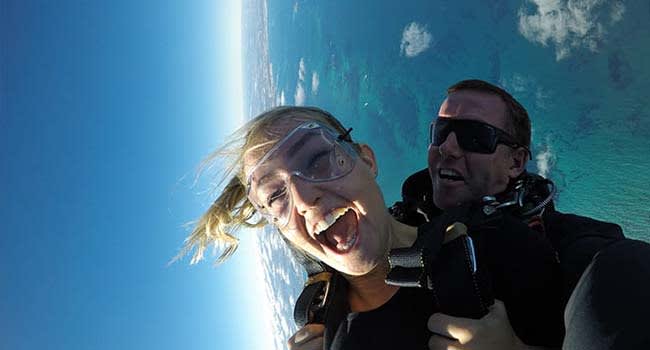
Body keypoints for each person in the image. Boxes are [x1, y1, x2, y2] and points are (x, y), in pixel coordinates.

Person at [179, 106, 568, 350]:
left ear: (366, 159)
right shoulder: (328, 331)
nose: (302, 198)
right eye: (274, 197)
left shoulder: (494, 249)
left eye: (316, 158)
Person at [403, 79, 650, 350]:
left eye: (475, 136)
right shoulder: (396, 223)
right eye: (441, 131)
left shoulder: (575, 245)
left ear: (516, 162)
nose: (447, 148)